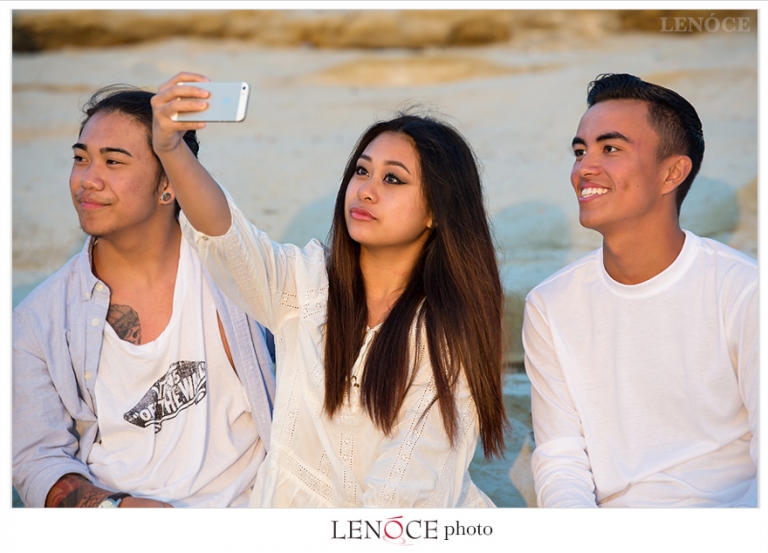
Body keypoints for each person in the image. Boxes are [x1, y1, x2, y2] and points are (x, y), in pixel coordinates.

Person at [149, 72, 508, 507]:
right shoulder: (307, 285)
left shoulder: (447, 331)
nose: (366, 190)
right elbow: (229, 241)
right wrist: (171, 148)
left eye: (393, 179)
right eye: (362, 171)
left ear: (437, 210)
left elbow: (407, 485)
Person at [12, 86, 276, 508]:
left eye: (113, 161)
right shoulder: (36, 322)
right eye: (81, 158)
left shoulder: (234, 275)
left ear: (167, 184)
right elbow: (36, 458)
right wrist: (118, 510)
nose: (86, 180)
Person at [523, 73, 758, 508]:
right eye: (580, 151)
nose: (583, 168)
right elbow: (560, 458)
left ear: (673, 172)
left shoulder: (744, 291)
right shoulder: (550, 305)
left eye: (610, 148)